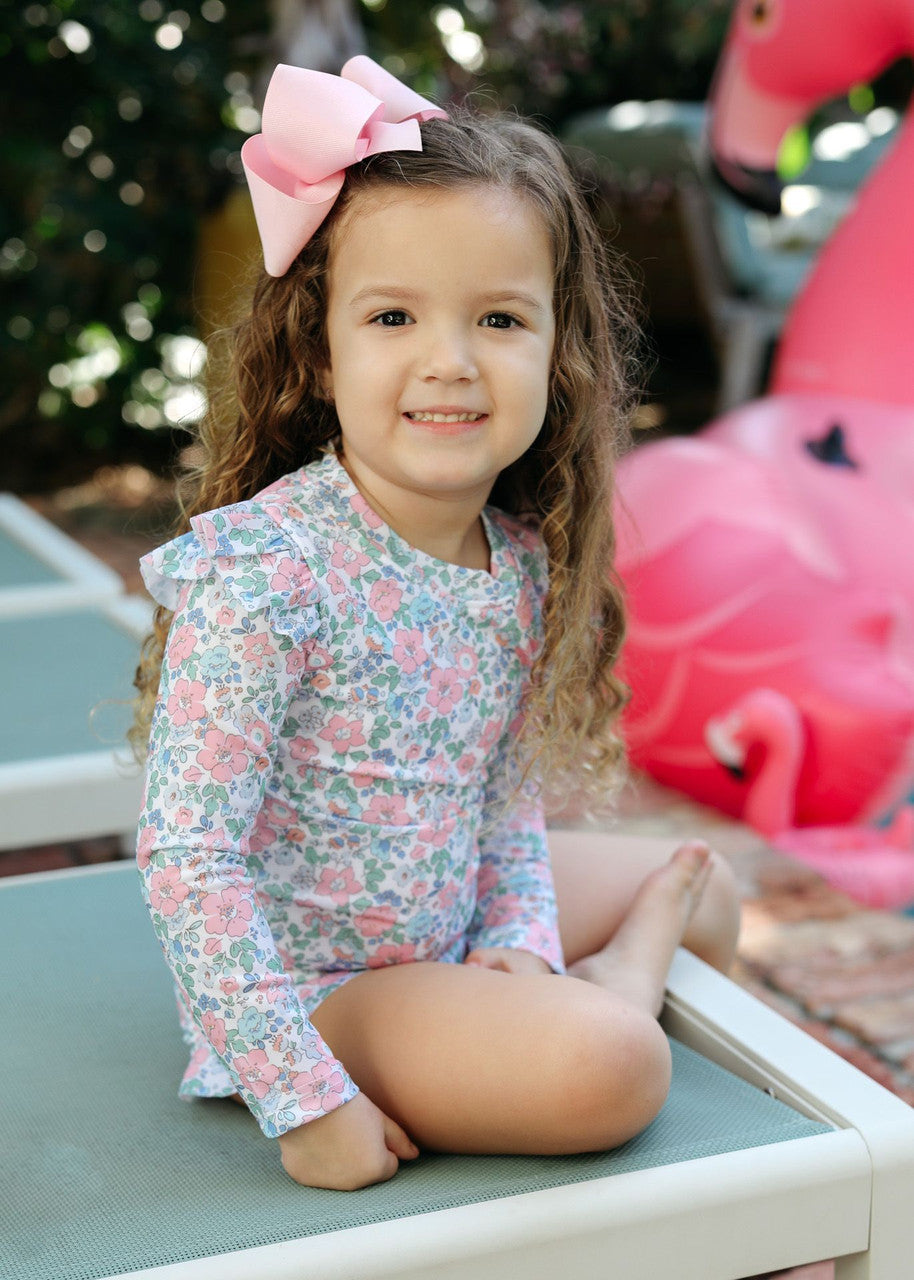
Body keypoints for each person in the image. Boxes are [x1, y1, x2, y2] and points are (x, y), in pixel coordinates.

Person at [132, 56, 740, 1193]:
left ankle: (568, 979)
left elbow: (500, 799)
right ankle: (615, 992)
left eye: (499, 318)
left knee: (713, 890)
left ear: (555, 355)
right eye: (394, 314)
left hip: (446, 908)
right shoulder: (266, 571)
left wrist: (516, 938)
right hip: (332, 985)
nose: (448, 360)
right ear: (321, 350)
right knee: (613, 1066)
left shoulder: (510, 561)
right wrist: (304, 1097)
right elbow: (187, 857)